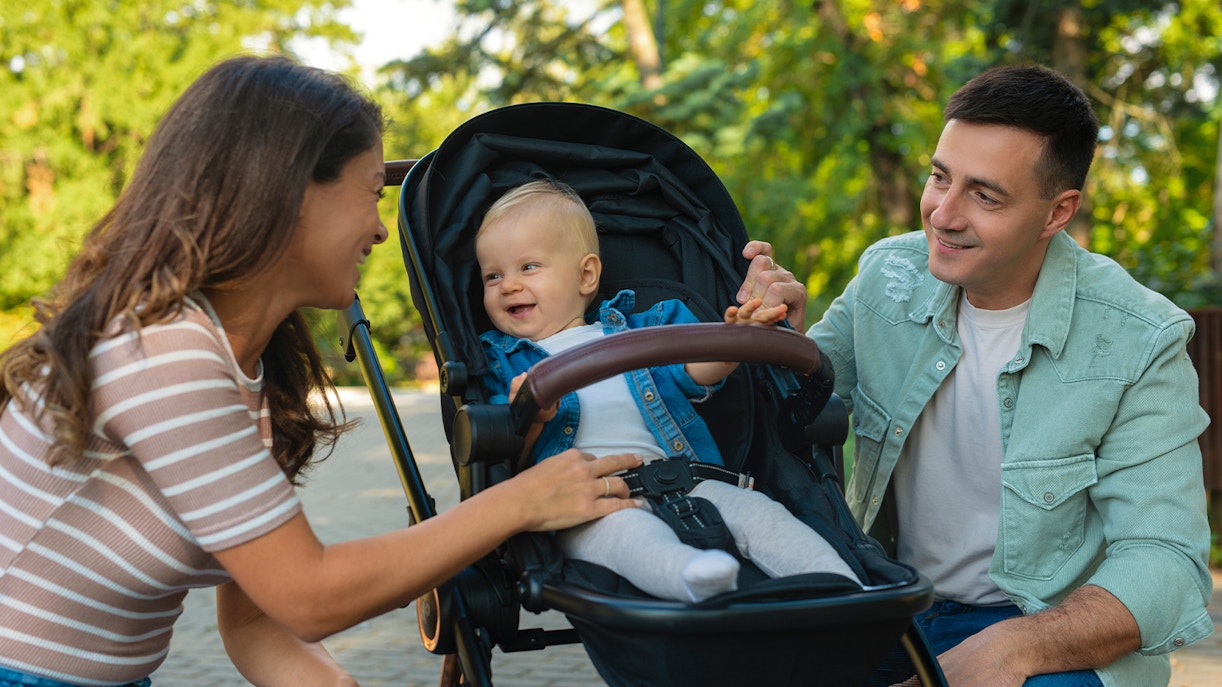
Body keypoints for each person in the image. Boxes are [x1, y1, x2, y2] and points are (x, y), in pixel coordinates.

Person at [0, 55, 647, 687]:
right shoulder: (168, 353)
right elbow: (309, 594)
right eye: (370, 194)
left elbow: (255, 615)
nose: (379, 230)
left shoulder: (243, 367)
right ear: (290, 192)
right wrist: (520, 501)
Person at [741, 64, 1213, 687]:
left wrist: (1009, 650)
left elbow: (1167, 559)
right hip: (891, 609)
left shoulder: (1140, 339)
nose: (943, 214)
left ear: (1057, 212)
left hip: (1043, 627)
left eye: (985, 196)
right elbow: (795, 414)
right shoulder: (888, 277)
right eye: (940, 177)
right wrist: (776, 341)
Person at [474, 179, 863, 603]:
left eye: (528, 267)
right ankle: (692, 576)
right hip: (587, 501)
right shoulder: (502, 362)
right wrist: (529, 413)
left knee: (760, 513)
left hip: (686, 478)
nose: (507, 285)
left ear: (586, 275)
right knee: (627, 536)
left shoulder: (643, 328)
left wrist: (735, 340)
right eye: (493, 275)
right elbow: (508, 456)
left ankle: (842, 583)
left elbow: (698, 370)